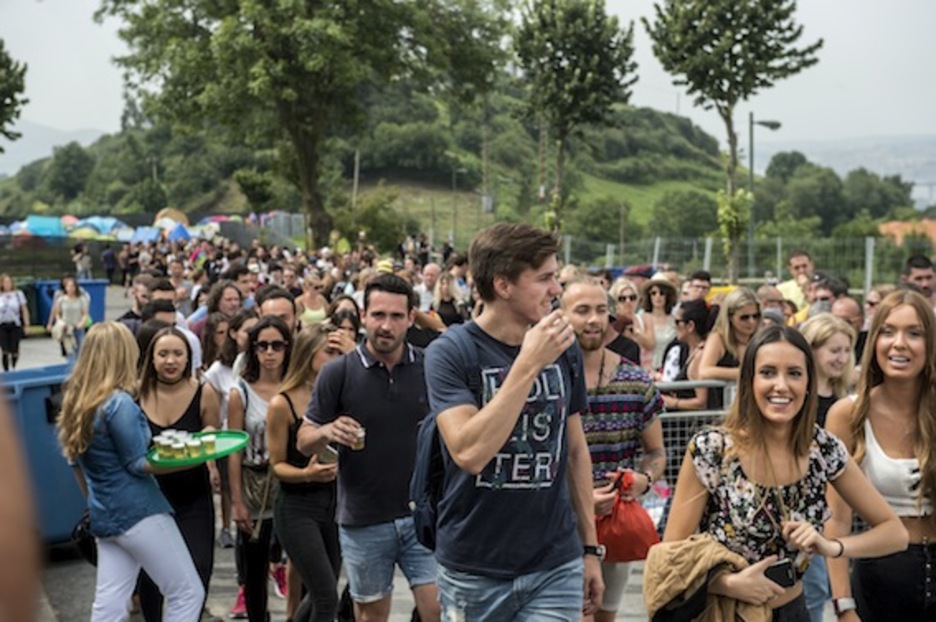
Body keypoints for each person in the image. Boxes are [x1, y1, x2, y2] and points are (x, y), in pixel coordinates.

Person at [656, 324, 907, 620]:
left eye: (794, 373)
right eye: (768, 372)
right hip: (726, 613)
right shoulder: (712, 450)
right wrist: (728, 583)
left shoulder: (823, 449)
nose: (782, 385)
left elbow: (895, 533)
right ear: (748, 380)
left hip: (794, 611)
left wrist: (830, 545)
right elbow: (671, 557)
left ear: (809, 383)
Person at [423, 223, 604, 620]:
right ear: (503, 285)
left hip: (554, 562)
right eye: (544, 278)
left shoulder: (562, 345)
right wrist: (527, 364)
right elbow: (469, 452)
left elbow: (574, 450)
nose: (556, 289)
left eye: (555, 276)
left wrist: (589, 549)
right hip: (475, 567)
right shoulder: (451, 352)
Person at [297, 274, 439, 622]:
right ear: (363, 316)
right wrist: (328, 430)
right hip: (364, 519)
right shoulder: (339, 372)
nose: (385, 325)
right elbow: (304, 440)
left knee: (440, 610)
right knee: (371, 616)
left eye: (395, 316)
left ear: (410, 318)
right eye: (378, 315)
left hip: (422, 516)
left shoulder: (430, 367)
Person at [55, 322, 204, 621]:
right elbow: (138, 463)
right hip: (140, 511)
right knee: (187, 593)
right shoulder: (119, 403)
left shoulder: (76, 403)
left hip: (105, 515)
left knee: (109, 605)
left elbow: (75, 465)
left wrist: (99, 501)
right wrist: (195, 457)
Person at [825, 290, 936, 621]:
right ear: (873, 340)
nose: (898, 343)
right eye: (887, 331)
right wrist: (843, 605)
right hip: (879, 581)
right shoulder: (847, 414)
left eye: (914, 333)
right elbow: (837, 519)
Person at [561, 277, 665, 622]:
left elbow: (656, 452)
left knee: (605, 615)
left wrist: (644, 479)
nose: (593, 319)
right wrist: (579, 496)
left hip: (614, 523)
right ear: (561, 315)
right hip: (555, 522)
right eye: (582, 311)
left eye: (600, 310)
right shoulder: (545, 377)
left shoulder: (636, 380)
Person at [136, 326, 221, 621]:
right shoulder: (136, 393)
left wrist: (208, 440)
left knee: (198, 573)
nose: (170, 360)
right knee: (150, 581)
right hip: (149, 502)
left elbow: (213, 433)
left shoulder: (203, 390)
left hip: (193, 499)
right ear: (151, 358)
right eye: (163, 354)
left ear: (188, 358)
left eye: (177, 354)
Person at [267, 324, 350, 622]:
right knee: (327, 597)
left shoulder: (341, 394)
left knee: (322, 594)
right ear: (307, 354)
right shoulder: (283, 403)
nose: (337, 359)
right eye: (330, 352)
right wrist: (308, 474)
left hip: (335, 504)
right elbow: (276, 465)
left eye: (341, 353)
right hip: (297, 506)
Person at [228, 316, 294, 622]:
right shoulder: (239, 392)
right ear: (253, 350)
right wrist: (237, 502)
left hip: (292, 485)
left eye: (277, 345)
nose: (270, 352)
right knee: (254, 572)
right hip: (255, 484)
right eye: (262, 345)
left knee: (299, 565)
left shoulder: (297, 387)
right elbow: (233, 451)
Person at [795, 313, 856, 622]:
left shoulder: (845, 401)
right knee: (813, 587)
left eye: (846, 350)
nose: (842, 358)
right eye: (834, 350)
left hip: (832, 509)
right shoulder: (797, 398)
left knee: (819, 588)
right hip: (803, 510)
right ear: (813, 349)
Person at [698, 287, 761, 408]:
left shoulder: (760, 339)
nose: (751, 322)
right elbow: (705, 371)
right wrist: (743, 373)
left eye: (755, 316)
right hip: (722, 410)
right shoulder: (718, 338)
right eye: (744, 317)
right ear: (730, 317)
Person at [660, 298, 712, 412]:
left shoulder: (700, 356)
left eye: (677, 322)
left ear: (690, 326)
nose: (674, 326)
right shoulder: (691, 351)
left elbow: (701, 402)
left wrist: (671, 402)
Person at [639, 274, 678, 373]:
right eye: (653, 293)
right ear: (649, 295)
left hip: (669, 371)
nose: (658, 296)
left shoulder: (675, 319)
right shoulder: (640, 318)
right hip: (645, 370)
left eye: (662, 293)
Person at [47, 275, 90, 361]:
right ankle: (71, 368)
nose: (70, 288)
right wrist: (59, 322)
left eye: (72, 286)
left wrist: (82, 322)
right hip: (66, 328)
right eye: (68, 286)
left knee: (80, 350)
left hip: (78, 327)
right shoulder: (61, 300)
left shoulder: (81, 299)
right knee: (70, 351)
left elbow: (85, 313)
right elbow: (57, 313)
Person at [0, 273, 30, 371]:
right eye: (5, 282)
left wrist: (26, 324)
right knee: (5, 349)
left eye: (9, 282)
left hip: (14, 324)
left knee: (14, 349)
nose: (7, 284)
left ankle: (13, 366)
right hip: (2, 324)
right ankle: (6, 369)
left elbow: (24, 309)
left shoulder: (18, 294)